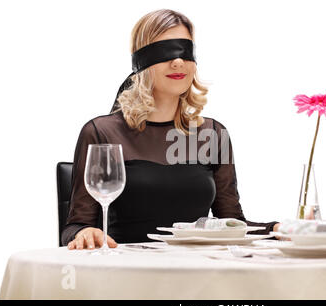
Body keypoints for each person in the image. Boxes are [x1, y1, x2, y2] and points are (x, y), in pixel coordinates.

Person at [64, 9, 280, 250]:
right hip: (126, 273)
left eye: (185, 51)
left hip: (196, 274)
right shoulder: (101, 132)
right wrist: (85, 232)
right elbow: (74, 227)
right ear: (141, 61)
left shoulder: (213, 134)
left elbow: (232, 224)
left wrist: (277, 230)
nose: (178, 61)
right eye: (165, 51)